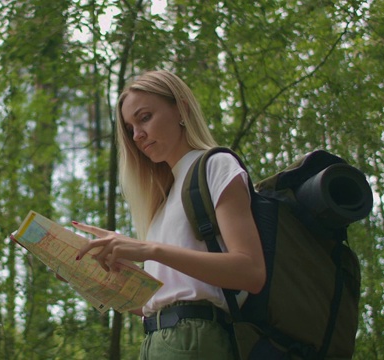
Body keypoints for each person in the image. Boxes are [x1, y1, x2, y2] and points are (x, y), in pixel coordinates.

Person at [73, 70, 266, 359]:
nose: (137, 135)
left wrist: (150, 250)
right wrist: (85, 276)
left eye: (145, 117)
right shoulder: (162, 202)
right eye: (129, 128)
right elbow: (151, 303)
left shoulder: (215, 165)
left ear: (181, 108)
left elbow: (251, 272)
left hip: (196, 340)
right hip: (154, 341)